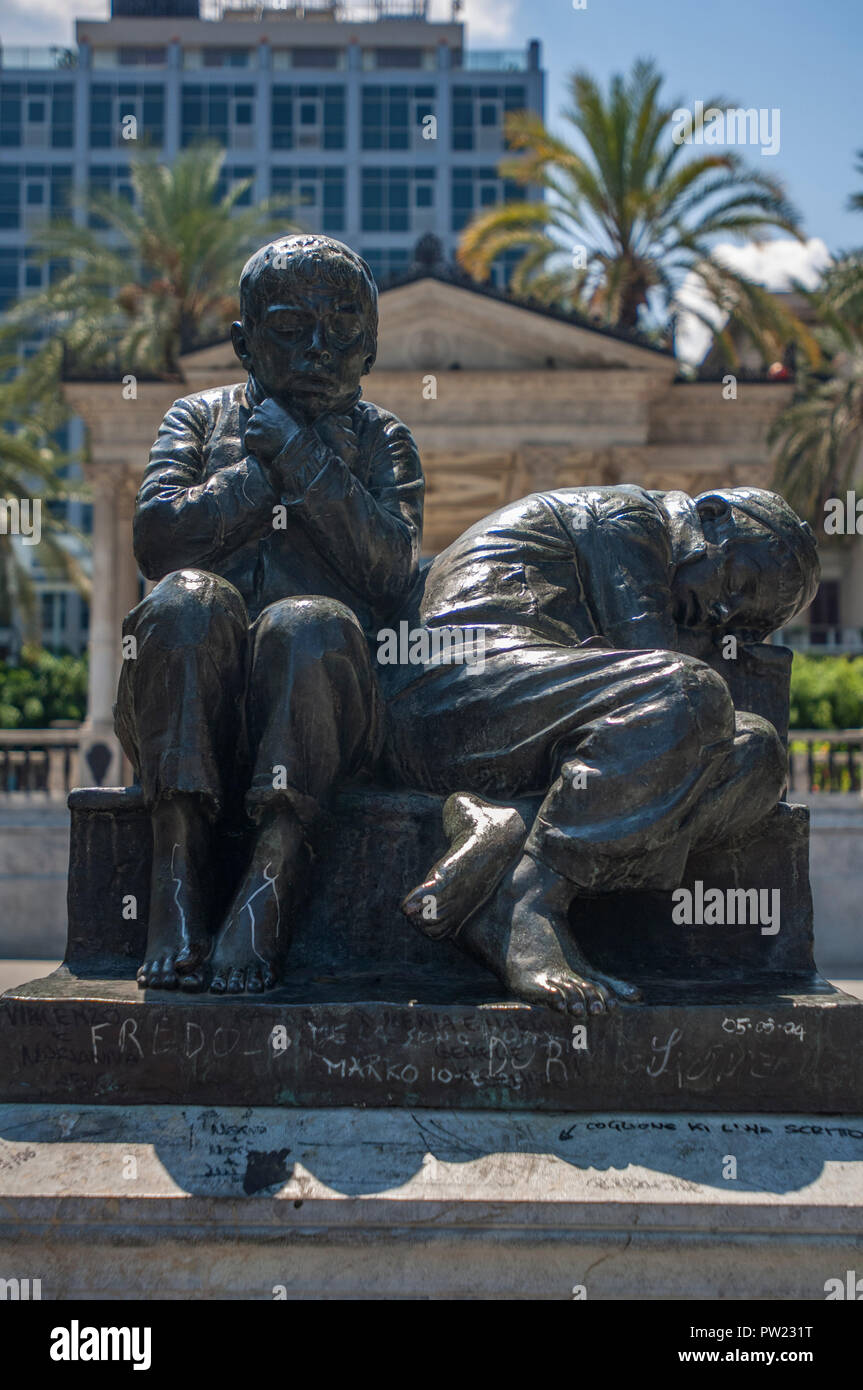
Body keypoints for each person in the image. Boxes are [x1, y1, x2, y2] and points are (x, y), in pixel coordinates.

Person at [379, 485, 819, 1017]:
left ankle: (517, 830)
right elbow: (654, 666)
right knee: (689, 691)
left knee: (759, 750)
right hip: (449, 696)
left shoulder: (680, 576)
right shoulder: (628, 519)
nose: (721, 612)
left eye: (738, 622)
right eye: (736, 582)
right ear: (710, 515)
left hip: (539, 719)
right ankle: (524, 904)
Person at [116, 234, 423, 993]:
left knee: (305, 621)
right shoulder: (195, 419)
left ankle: (274, 875)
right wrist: (260, 474)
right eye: (290, 329)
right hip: (195, 703)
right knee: (188, 597)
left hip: (322, 713)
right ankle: (177, 865)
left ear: (372, 347)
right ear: (244, 345)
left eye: (343, 328)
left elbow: (389, 571)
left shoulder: (383, 439)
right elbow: (157, 540)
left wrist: (306, 461)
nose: (319, 349)